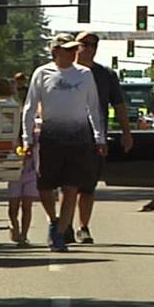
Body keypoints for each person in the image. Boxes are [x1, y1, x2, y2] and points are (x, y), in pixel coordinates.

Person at [21, 34, 105, 252]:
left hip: (78, 138)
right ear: (55, 51)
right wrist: (27, 138)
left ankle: (59, 235)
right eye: (67, 49)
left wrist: (99, 137)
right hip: (51, 136)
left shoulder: (85, 74)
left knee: (71, 188)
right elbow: (30, 107)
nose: (72, 53)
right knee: (45, 186)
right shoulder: (43, 73)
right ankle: (53, 219)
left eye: (73, 49)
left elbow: (93, 108)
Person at [71, 32, 134, 244]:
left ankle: (83, 227)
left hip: (95, 138)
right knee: (67, 184)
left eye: (93, 44)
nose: (89, 48)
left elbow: (119, 105)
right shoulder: (63, 72)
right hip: (66, 136)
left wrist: (126, 133)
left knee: (88, 185)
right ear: (75, 46)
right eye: (85, 44)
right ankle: (63, 226)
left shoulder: (106, 75)